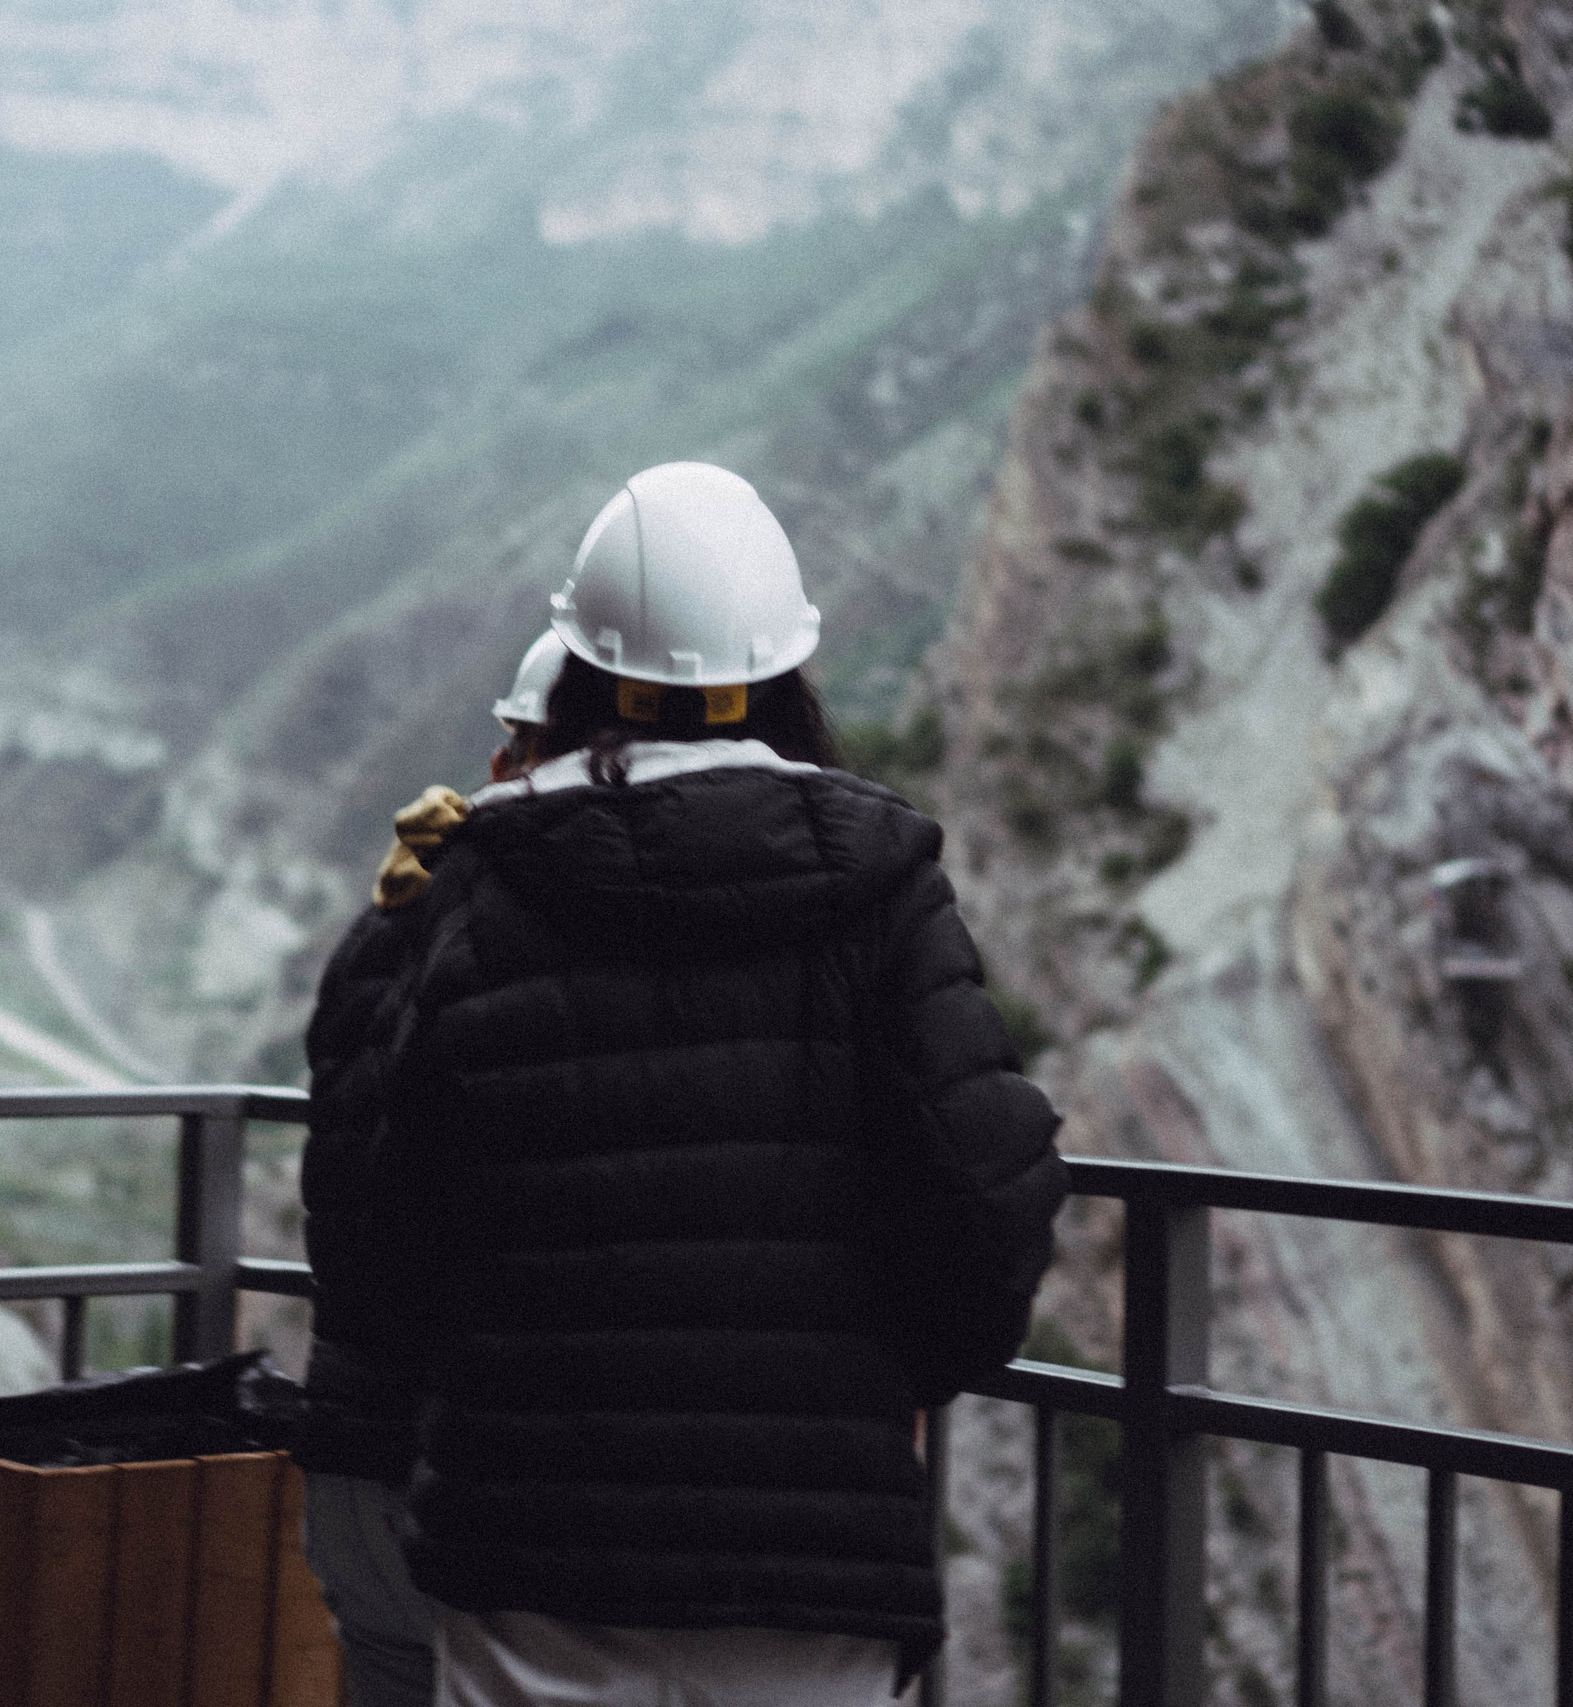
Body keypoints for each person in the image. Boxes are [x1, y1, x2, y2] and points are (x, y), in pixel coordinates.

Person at [359, 462, 1067, 1706]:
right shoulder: (883, 882)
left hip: (531, 1546)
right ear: (779, 673)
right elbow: (984, 1194)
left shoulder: (482, 886)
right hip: (810, 1562)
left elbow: (394, 1220)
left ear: (576, 671)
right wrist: (900, 1376)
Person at [297, 629, 569, 1707]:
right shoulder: (528, 931)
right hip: (462, 1474)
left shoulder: (398, 919)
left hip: (351, 1459)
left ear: (508, 755)